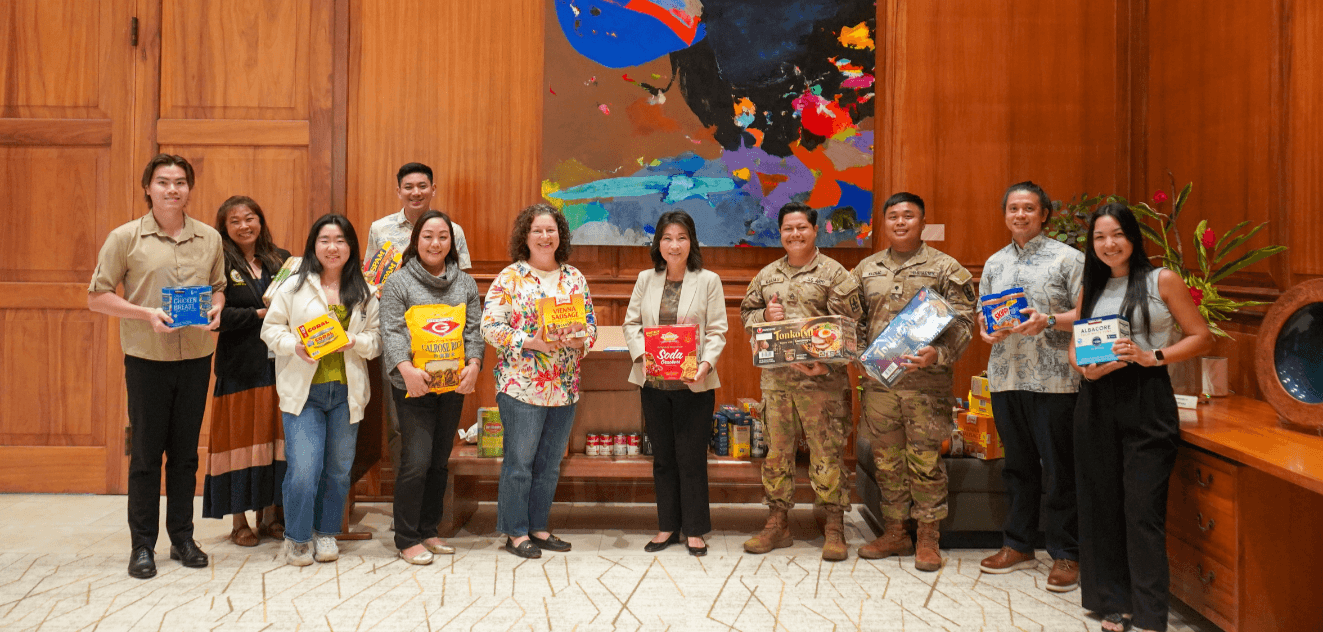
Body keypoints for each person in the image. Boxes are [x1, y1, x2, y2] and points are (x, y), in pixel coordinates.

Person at [1071, 203, 1212, 632]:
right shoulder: (1090, 287)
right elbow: (1075, 347)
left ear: (1132, 237)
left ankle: (1150, 613)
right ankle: (1114, 602)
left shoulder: (1160, 280)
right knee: (1101, 506)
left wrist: (1152, 356)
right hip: (1095, 401)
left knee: (1141, 510)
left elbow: (1200, 336)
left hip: (1146, 400)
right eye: (1099, 237)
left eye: (1116, 234)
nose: (1108, 244)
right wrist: (1085, 367)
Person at [88, 154, 226, 579]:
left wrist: (218, 309)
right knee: (147, 455)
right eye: (163, 182)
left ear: (190, 188)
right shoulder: (125, 237)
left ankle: (182, 538)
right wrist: (144, 314)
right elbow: (97, 296)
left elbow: (218, 287)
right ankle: (142, 545)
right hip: (148, 361)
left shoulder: (209, 238)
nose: (172, 189)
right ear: (147, 187)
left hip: (197, 357)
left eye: (180, 182)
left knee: (185, 456)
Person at [851, 193, 975, 572]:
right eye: (893, 217)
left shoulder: (946, 268)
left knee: (925, 461)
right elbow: (851, 321)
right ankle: (895, 532)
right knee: (887, 462)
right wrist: (859, 356)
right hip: (881, 386)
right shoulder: (865, 269)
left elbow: (965, 321)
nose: (900, 222)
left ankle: (927, 537)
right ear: (883, 223)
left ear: (922, 222)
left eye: (909, 216)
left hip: (926, 385)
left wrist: (937, 354)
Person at [976, 181, 1085, 592]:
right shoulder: (994, 263)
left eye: (1028, 208)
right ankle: (1018, 545)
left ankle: (1066, 554)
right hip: (1006, 377)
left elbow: (1089, 313)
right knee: (1017, 467)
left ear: (1044, 214)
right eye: (1013, 209)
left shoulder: (1069, 259)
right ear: (1005, 215)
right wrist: (986, 332)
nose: (1020, 215)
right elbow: (983, 314)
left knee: (1060, 470)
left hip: (1057, 380)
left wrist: (1050, 320)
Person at [739, 202, 863, 562]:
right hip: (777, 385)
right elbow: (747, 312)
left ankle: (834, 525)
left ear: (815, 230)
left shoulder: (835, 274)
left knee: (828, 455)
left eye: (801, 228)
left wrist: (825, 365)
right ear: (780, 233)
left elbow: (852, 330)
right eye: (788, 229)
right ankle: (778, 523)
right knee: (777, 455)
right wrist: (765, 313)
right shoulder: (767, 276)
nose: (795, 234)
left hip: (823, 385)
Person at [261, 214, 381, 567]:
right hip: (304, 392)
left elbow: (376, 341)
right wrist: (294, 346)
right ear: (314, 245)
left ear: (351, 247)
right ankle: (297, 538)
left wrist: (354, 340)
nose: (333, 247)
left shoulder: (365, 289)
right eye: (325, 240)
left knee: (339, 470)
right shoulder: (293, 286)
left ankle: (326, 532)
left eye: (341, 240)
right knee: (303, 469)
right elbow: (271, 330)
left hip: (346, 394)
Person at [481, 204, 596, 559]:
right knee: (520, 463)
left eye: (551, 230)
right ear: (525, 237)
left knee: (548, 464)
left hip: (564, 387)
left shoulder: (574, 278)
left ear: (560, 235)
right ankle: (515, 532)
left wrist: (580, 339)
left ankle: (539, 527)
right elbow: (490, 327)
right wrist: (530, 341)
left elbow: (590, 328)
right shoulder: (510, 278)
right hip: (521, 387)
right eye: (537, 231)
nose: (545, 237)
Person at [378, 211, 483, 565]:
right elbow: (391, 331)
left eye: (443, 236)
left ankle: (429, 530)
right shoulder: (398, 283)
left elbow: (472, 332)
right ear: (415, 241)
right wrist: (405, 370)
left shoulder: (465, 284)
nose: (435, 243)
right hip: (412, 386)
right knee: (416, 461)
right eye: (427, 236)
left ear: (452, 243)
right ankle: (406, 537)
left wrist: (474, 365)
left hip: (450, 385)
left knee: (440, 461)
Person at [623, 211, 727, 556]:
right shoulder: (645, 279)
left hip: (694, 386)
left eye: (681, 237)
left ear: (691, 241)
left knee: (692, 457)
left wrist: (705, 364)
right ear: (658, 244)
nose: (674, 244)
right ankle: (667, 525)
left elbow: (717, 331)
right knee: (663, 458)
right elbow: (631, 325)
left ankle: (695, 530)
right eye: (667, 238)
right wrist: (643, 357)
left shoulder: (708, 280)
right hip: (654, 385)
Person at [366, 162, 473, 487]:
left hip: (443, 340)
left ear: (433, 189)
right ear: (398, 191)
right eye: (408, 187)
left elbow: (463, 280)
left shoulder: (452, 230)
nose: (416, 192)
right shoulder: (380, 230)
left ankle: (431, 505)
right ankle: (407, 499)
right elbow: (370, 281)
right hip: (400, 339)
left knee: (441, 423)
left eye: (422, 186)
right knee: (399, 423)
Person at [202, 196, 292, 547]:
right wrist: (259, 316)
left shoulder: (282, 260)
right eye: (235, 220)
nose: (244, 225)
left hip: (278, 366)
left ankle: (271, 515)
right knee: (239, 444)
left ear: (260, 220)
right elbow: (214, 318)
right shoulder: (217, 262)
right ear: (224, 227)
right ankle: (239, 521)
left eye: (250, 217)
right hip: (238, 366)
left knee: (275, 442)